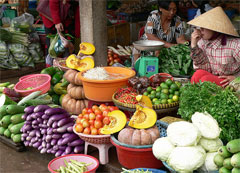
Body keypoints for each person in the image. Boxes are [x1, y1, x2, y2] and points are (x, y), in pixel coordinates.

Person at [188, 6, 240, 87]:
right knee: (197, 75)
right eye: (199, 27)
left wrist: (236, 78)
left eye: (203, 27)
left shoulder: (235, 45)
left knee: (205, 80)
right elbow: (203, 67)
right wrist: (194, 45)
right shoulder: (202, 42)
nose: (200, 30)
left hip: (231, 81)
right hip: (214, 78)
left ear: (214, 29)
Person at [38, 0, 80, 67]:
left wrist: (77, 33)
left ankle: (67, 66)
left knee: (68, 43)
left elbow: (78, 9)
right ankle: (51, 66)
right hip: (51, 17)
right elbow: (53, 3)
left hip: (66, 16)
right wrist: (57, 21)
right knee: (53, 45)